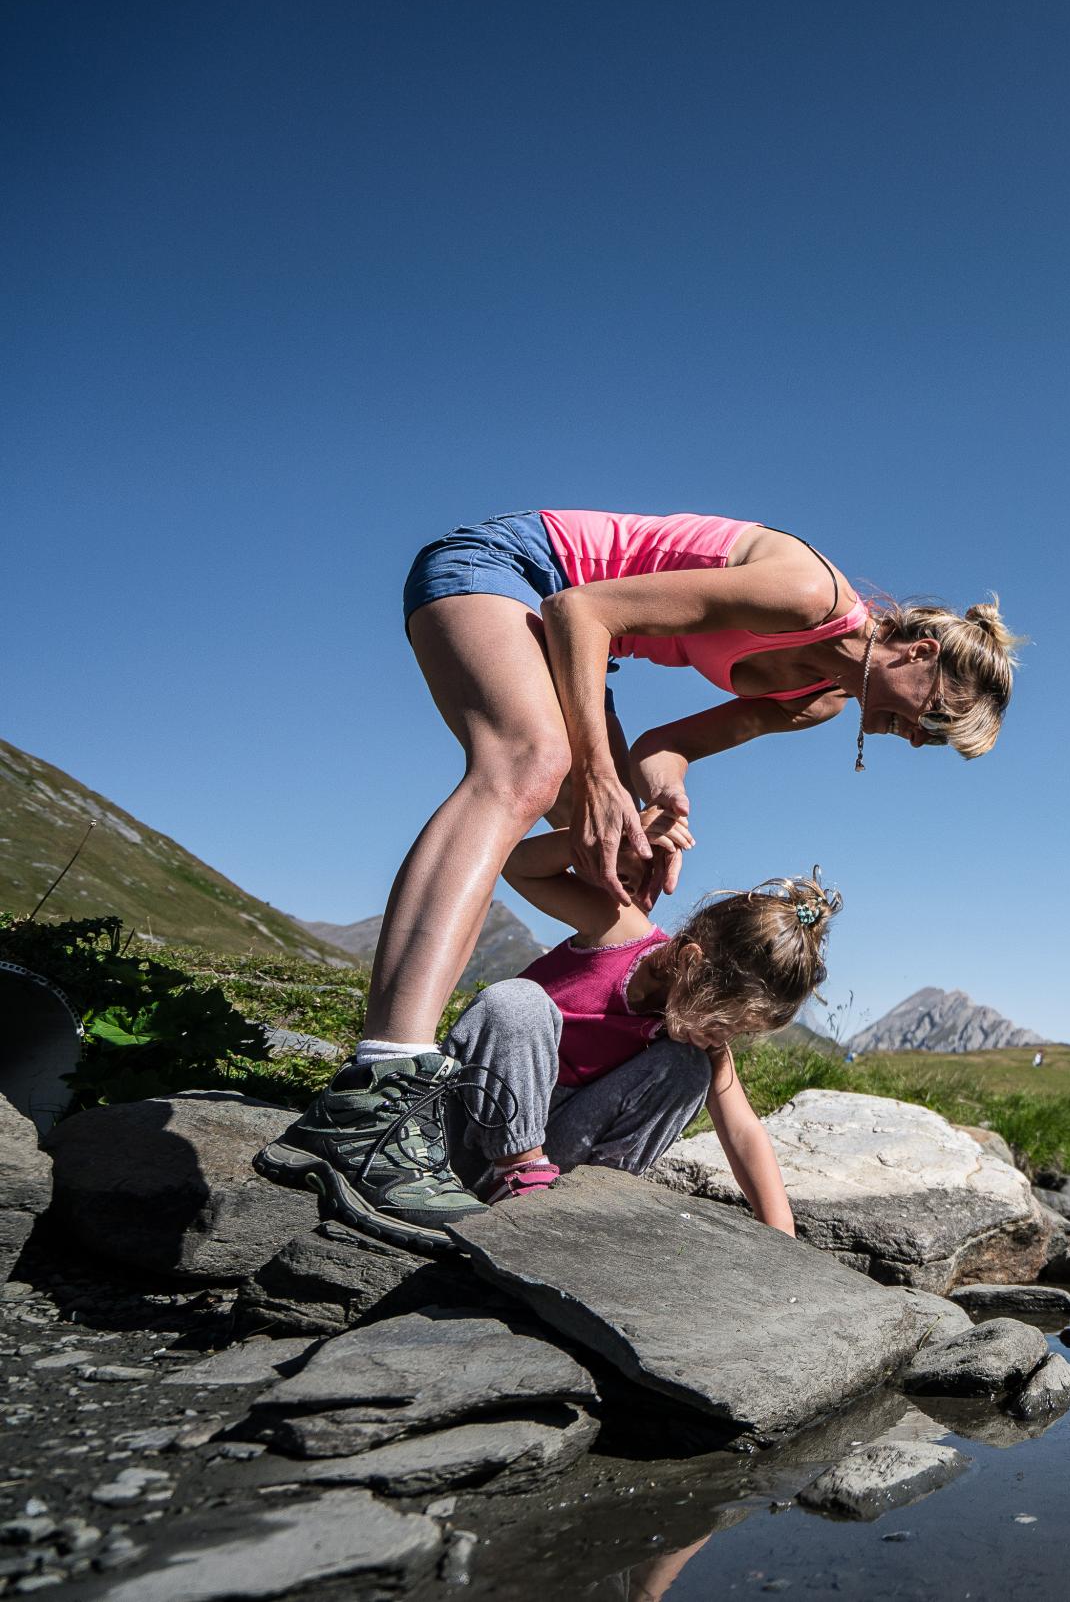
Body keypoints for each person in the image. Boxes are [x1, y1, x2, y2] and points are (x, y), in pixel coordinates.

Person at [255, 509, 1021, 1250]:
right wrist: (594, 777)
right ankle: (382, 1085)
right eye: (934, 718)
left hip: (569, 620)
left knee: (614, 843)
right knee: (530, 766)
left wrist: (660, 797)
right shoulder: (806, 593)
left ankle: (517, 1161)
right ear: (920, 650)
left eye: (934, 740)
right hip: (514, 569)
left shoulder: (816, 702)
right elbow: (580, 609)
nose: (918, 740)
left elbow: (665, 746)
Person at [435, 823, 826, 1232]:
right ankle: (518, 1173)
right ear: (691, 962)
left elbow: (743, 1131)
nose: (721, 1038)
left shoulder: (695, 1029)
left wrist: (782, 1238)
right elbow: (518, 866)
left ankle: (588, 1200)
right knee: (516, 1002)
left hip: (550, 1166)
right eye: (721, 1022)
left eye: (736, 1032)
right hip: (469, 1128)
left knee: (689, 1068)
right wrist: (612, 834)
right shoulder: (617, 929)